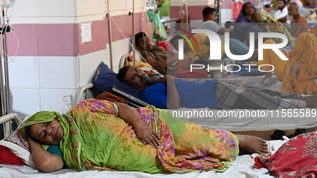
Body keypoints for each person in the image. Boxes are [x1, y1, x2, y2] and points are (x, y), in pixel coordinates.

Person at [22, 98, 269, 173]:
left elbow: (121, 109)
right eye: (42, 134)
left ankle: (237, 139)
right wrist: (31, 138)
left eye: (46, 124)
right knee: (184, 157)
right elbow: (46, 165)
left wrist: (140, 126)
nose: (49, 131)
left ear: (52, 115)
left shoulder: (82, 109)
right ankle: (232, 145)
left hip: (147, 125)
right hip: (138, 153)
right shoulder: (62, 149)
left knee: (191, 138)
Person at [117, 66, 317, 110]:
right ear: (130, 85)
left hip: (215, 87)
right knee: (264, 102)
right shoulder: (149, 93)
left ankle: (304, 98)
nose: (139, 74)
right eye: (133, 77)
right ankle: (304, 105)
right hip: (216, 98)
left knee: (263, 92)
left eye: (137, 70)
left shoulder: (154, 80)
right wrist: (169, 81)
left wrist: (162, 78)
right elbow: (174, 108)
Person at [258, 24, 317, 95]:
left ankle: (268, 76)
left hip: (288, 71)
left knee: (268, 43)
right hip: (294, 65)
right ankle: (267, 75)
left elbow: (296, 52)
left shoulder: (307, 38)